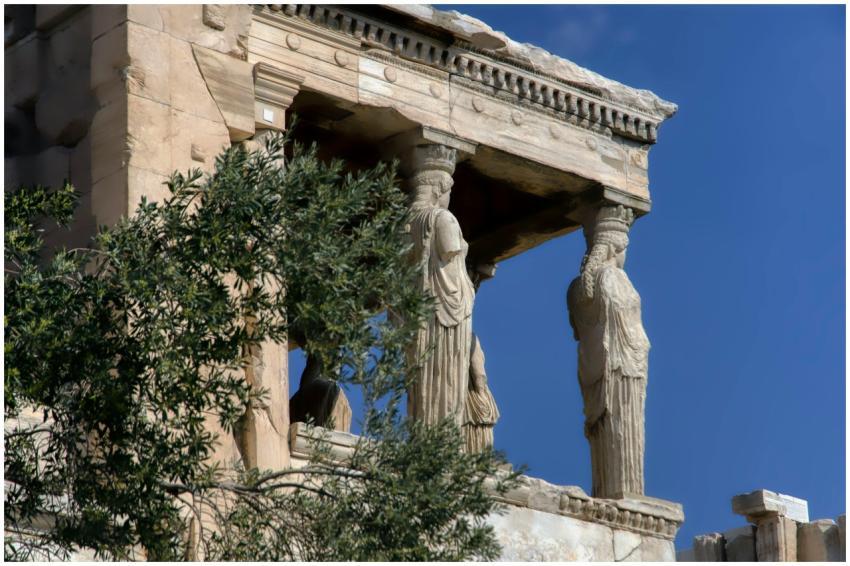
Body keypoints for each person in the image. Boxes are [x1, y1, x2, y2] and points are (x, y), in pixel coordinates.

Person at [567, 205, 650, 498]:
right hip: (622, 367)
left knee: (604, 428)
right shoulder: (614, 279)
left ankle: (608, 489)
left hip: (594, 371)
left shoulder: (576, 288)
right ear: (616, 246)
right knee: (624, 431)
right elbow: (627, 328)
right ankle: (625, 493)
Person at [406, 148, 475, 429]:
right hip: (446, 313)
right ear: (438, 189)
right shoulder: (443, 218)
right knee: (446, 374)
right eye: (448, 191)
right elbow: (450, 250)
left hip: (418, 313)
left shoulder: (406, 221)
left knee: (422, 373)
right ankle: (443, 437)